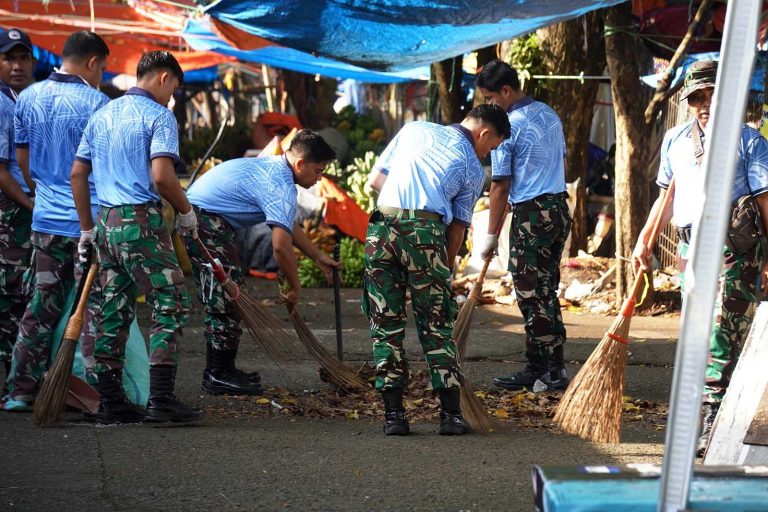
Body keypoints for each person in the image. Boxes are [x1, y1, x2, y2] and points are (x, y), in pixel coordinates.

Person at [631, 59, 768, 455]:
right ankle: (701, 418)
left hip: (734, 251)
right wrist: (645, 240)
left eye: (713, 94)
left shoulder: (750, 142)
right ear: (688, 102)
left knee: (721, 338)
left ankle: (711, 424)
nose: (706, 104)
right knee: (696, 333)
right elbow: (666, 197)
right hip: (691, 249)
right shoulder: (675, 139)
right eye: (697, 98)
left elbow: (764, 202)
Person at [364, 104, 510, 436]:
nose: (488, 153)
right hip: (426, 233)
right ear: (484, 133)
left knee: (385, 325)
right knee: (436, 323)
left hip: (381, 228)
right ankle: (451, 416)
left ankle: (394, 417)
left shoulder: (414, 128)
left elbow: (376, 181)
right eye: (493, 146)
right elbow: (456, 230)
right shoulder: (473, 168)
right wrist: (446, 269)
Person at [71, 50, 200, 424]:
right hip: (140, 221)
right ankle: (161, 399)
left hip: (106, 221)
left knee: (112, 307)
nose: (173, 95)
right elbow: (162, 177)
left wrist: (86, 229)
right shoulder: (159, 116)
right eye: (174, 86)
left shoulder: (102, 114)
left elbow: (78, 174)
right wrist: (187, 211)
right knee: (171, 298)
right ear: (163, 78)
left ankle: (111, 402)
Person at [181, 129, 339, 396]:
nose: (319, 179)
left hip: (204, 218)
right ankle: (218, 374)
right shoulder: (280, 184)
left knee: (227, 296)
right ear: (300, 164)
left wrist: (317, 255)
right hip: (204, 221)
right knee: (227, 298)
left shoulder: (277, 168)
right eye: (318, 171)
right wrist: (295, 287)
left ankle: (221, 371)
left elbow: (287, 223)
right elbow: (280, 246)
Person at [3, 31, 109, 411]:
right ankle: (89, 394)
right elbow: (99, 165)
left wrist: (46, 192)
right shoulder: (98, 102)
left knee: (40, 306)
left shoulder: (27, 98)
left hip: (45, 220)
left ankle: (19, 391)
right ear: (94, 63)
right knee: (93, 309)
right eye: (103, 67)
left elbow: (24, 162)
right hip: (88, 222)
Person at [475, 59, 572, 392]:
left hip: (532, 215)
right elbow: (562, 160)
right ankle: (541, 365)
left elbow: (500, 185)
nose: (487, 106)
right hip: (558, 209)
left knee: (531, 292)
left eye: (489, 98)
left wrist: (489, 236)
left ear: (506, 91)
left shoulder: (508, 126)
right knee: (545, 287)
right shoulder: (549, 113)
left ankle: (551, 370)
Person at [0, 28, 36, 391]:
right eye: (9, 58)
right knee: (10, 291)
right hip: (10, 209)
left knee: (21, 290)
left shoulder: (19, 100)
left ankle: (19, 377)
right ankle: (16, 381)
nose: (17, 66)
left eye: (23, 58)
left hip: (22, 206)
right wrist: (30, 204)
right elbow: (0, 172)